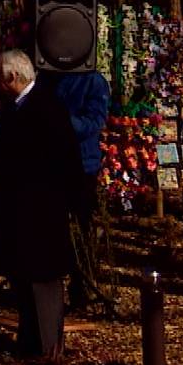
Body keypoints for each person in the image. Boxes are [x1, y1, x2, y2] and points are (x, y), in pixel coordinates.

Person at [0, 50, 84, 362]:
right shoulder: (17, 108)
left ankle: (47, 349)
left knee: (43, 285)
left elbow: (66, 163)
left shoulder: (46, 107)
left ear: (11, 78)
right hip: (20, 213)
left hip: (41, 215)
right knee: (24, 284)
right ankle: (30, 343)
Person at [39, 67, 111, 310]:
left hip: (82, 165)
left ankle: (83, 286)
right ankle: (51, 288)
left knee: (82, 229)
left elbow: (95, 120)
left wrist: (61, 122)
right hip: (50, 163)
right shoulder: (47, 77)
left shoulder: (93, 81)